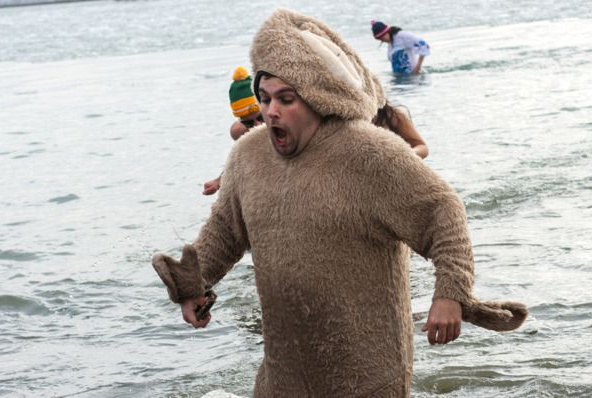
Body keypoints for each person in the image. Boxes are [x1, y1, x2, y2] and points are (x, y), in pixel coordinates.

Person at [153, 9, 527, 397]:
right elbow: (225, 232)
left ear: (316, 97)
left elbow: (442, 213)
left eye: (286, 99)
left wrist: (451, 294)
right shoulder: (249, 155)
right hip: (284, 369)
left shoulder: (370, 153)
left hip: (367, 370)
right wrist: (195, 285)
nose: (271, 111)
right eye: (264, 99)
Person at [203, 66, 264, 195]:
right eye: (248, 122)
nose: (257, 124)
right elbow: (237, 161)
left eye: (260, 117)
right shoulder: (246, 138)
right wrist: (218, 181)